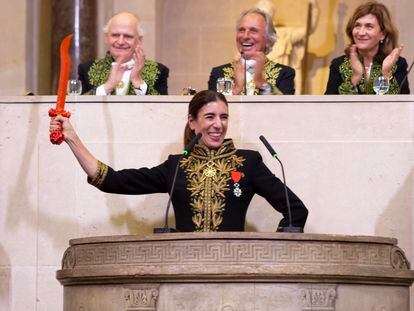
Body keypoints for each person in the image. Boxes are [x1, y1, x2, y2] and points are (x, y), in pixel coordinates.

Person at [49, 90, 308, 232]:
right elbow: (112, 180)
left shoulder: (247, 162)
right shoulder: (177, 166)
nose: (218, 124)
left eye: (224, 117)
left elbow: (296, 210)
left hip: (233, 273)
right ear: (193, 122)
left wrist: (279, 250)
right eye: (209, 117)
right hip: (181, 274)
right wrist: (72, 138)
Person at [325, 1, 410, 95]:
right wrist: (355, 77)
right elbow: (329, 106)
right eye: (357, 25)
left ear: (383, 34)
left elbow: (401, 106)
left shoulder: (398, 64)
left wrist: (386, 73)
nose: (361, 33)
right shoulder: (338, 65)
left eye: (369, 26)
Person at [208, 8, 296, 95]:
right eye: (241, 30)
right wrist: (237, 89)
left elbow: (285, 107)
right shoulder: (219, 73)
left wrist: (261, 82)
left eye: (253, 30)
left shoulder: (284, 74)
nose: (245, 36)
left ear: (268, 41)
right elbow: (212, 107)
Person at [78, 12, 169, 95]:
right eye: (115, 35)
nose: (120, 42)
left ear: (139, 40)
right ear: (106, 38)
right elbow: (77, 109)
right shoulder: (86, 69)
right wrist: (108, 86)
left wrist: (138, 82)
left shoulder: (159, 71)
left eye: (128, 36)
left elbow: (163, 110)